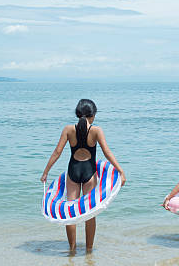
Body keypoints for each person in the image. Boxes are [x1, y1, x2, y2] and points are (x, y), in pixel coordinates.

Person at [40, 99, 126, 251]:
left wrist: (46, 172)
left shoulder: (68, 129)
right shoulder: (96, 130)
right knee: (90, 213)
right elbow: (107, 152)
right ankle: (89, 250)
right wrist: (120, 170)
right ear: (92, 115)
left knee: (69, 212)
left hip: (73, 171)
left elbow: (57, 152)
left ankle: (72, 249)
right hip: (89, 172)